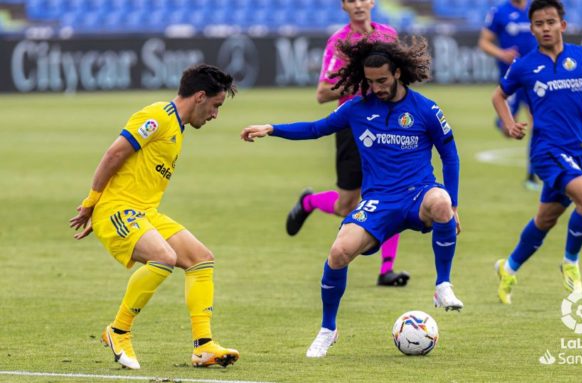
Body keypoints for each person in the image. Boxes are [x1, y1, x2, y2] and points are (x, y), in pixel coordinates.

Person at [241, 36, 464, 358]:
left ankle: (443, 285)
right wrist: (272, 128)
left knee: (440, 203)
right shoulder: (356, 109)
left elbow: (450, 156)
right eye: (370, 82)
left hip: (418, 193)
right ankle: (328, 329)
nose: (376, 88)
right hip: (378, 200)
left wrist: (454, 204)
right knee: (338, 252)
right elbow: (316, 128)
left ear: (398, 73)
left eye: (382, 80)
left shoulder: (426, 109)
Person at [69, 64, 240, 369]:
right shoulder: (158, 116)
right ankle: (118, 331)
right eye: (216, 105)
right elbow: (114, 154)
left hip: (145, 213)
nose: (215, 115)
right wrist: (92, 203)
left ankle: (204, 346)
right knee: (164, 257)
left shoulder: (177, 126)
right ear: (200, 96)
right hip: (119, 209)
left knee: (201, 259)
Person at [492, 0, 582, 304]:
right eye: (538, 23)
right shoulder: (523, 66)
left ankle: (508, 268)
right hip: (546, 152)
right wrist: (509, 124)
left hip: (577, 150)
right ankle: (570, 262)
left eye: (550, 22)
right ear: (531, 28)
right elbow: (498, 96)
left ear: (563, 24)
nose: (545, 28)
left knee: (545, 220)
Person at [286, 0, 410, 287]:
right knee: (346, 204)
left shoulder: (388, 35)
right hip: (354, 127)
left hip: (387, 124)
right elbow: (322, 93)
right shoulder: (340, 42)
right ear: (344, 6)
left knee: (393, 192)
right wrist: (363, 83)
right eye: (350, 0)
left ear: (372, 2)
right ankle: (309, 202)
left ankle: (386, 270)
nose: (357, 4)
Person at [478, 0, 540, 190]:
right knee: (509, 130)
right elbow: (484, 42)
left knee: (537, 123)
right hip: (511, 78)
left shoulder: (535, 8)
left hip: (535, 76)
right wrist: (501, 53)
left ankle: (532, 175)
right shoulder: (500, 12)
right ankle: (502, 121)